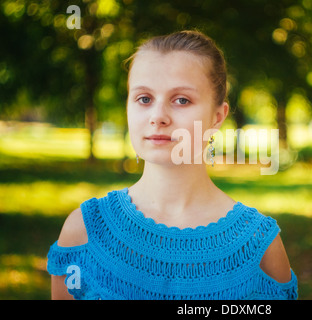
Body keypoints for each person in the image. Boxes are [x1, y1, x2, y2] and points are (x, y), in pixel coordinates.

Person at [47, 30, 298, 300]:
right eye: (144, 98)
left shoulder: (258, 246)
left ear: (217, 116)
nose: (158, 117)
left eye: (181, 100)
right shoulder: (84, 232)